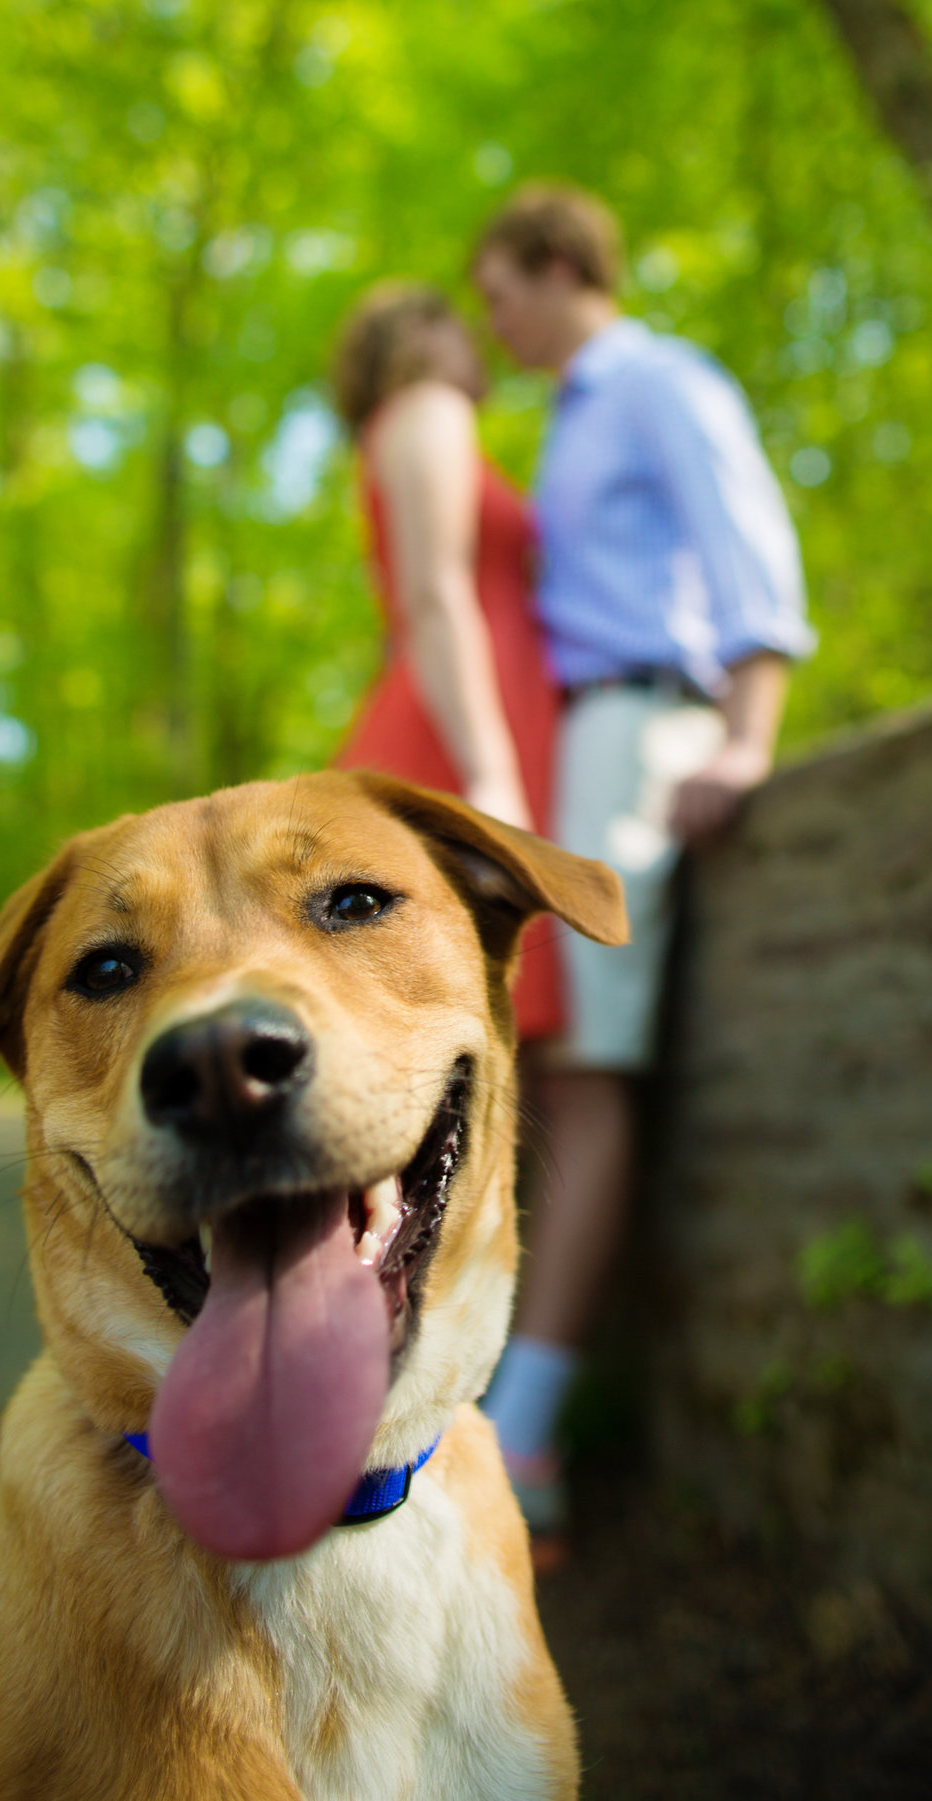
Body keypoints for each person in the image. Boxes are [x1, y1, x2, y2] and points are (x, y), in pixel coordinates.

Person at [470, 184, 815, 1543]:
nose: (495, 323)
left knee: (591, 1074)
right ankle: (523, 1399)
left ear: (559, 268)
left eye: (502, 292)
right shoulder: (567, 420)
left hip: (638, 730)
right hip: (579, 742)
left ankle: (527, 1436)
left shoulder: (660, 381)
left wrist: (745, 738)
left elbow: (749, 545)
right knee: (555, 1060)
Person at [331, 282, 565, 1043]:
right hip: (466, 725)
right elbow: (433, 595)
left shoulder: (397, 430)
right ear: (418, 337)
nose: (476, 338)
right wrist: (489, 774)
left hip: (477, 705)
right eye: (457, 325)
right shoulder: (430, 409)